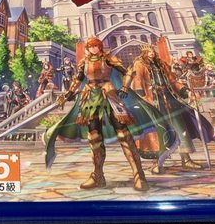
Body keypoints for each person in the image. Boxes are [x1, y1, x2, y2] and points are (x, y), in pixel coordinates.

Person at [45, 38, 169, 191]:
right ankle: (98, 176)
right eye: (90, 46)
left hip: (109, 94)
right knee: (94, 137)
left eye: (96, 46)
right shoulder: (84, 62)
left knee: (123, 133)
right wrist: (68, 93)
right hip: (90, 98)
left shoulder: (108, 58)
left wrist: (124, 87)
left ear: (100, 46)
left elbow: (127, 72)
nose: (93, 49)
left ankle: (138, 174)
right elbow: (79, 79)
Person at [130, 44, 215, 172]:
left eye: (152, 51)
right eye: (148, 51)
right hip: (153, 102)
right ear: (144, 53)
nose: (151, 53)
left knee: (180, 128)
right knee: (158, 132)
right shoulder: (139, 64)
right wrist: (141, 97)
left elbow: (173, 81)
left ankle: (186, 159)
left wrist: (187, 92)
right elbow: (137, 80)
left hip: (170, 99)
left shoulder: (161, 64)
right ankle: (157, 163)